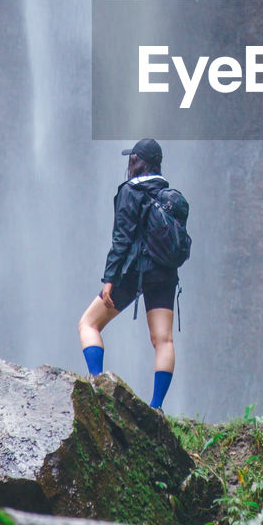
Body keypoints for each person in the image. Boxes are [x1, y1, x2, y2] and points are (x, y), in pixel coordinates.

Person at [78, 138, 178, 410]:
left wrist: (109, 279)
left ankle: (98, 386)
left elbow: (121, 241)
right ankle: (156, 407)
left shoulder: (129, 191)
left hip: (133, 272)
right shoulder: (168, 195)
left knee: (89, 324)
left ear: (136, 162)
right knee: (163, 339)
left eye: (131, 159)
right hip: (165, 273)